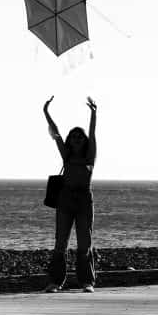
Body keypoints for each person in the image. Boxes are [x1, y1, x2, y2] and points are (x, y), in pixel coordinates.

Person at [43, 95, 97, 293]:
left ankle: (87, 282)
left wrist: (93, 114)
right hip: (65, 199)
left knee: (85, 242)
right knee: (60, 242)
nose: (76, 139)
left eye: (79, 137)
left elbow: (93, 134)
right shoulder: (66, 155)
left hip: (84, 200)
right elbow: (56, 135)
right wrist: (46, 112)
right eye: (73, 136)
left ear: (84, 141)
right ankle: (55, 282)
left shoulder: (90, 155)